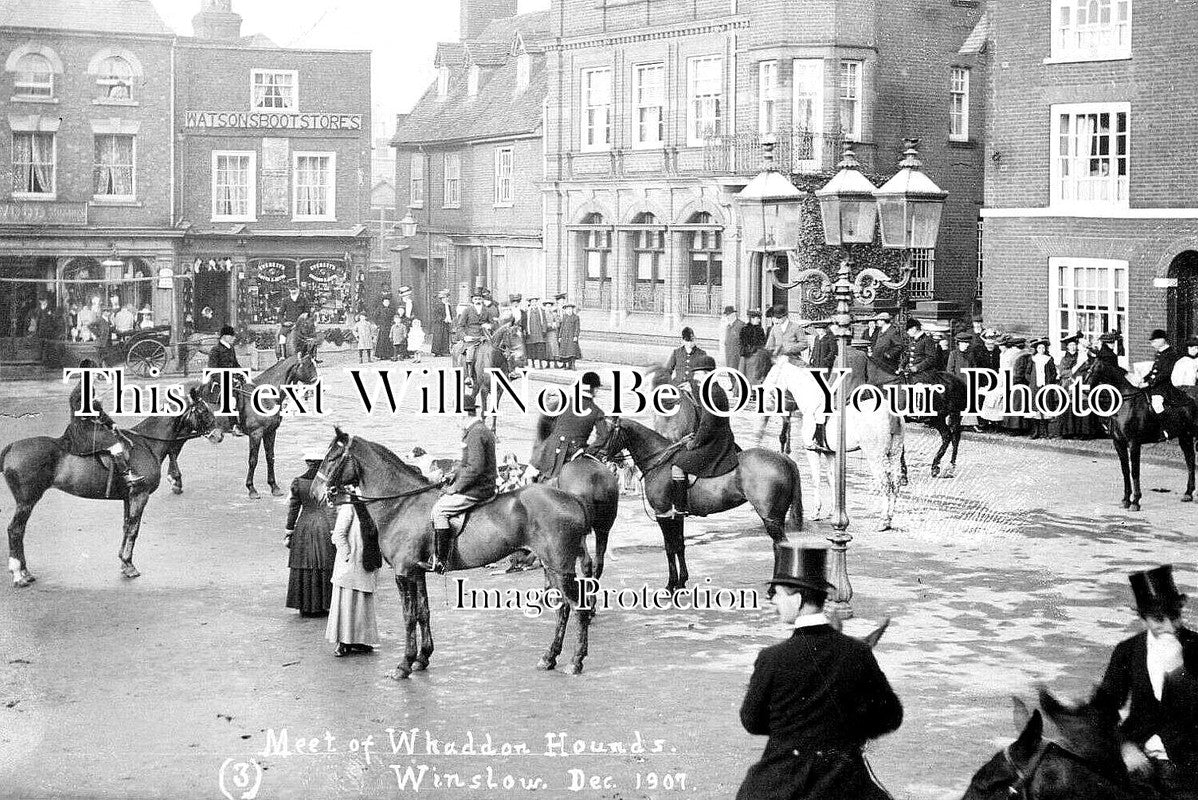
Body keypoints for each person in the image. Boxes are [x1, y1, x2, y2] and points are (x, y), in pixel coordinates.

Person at [736, 543, 903, 800]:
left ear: (797, 598)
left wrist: (792, 727)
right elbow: (890, 716)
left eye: (777, 593)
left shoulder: (771, 658)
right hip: (843, 783)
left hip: (781, 784)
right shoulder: (857, 652)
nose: (773, 600)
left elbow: (751, 721)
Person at [1090, 564, 1198, 799]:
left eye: (1174, 615)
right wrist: (1124, 746)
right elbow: (1102, 710)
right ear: (1143, 618)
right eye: (1159, 618)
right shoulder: (1127, 652)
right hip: (1137, 764)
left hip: (1189, 770)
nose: (1170, 625)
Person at [418, 410, 498, 573]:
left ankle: (441, 560)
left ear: (464, 416)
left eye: (456, 417)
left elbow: (475, 468)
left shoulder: (475, 434)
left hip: (478, 489)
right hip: (481, 484)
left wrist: (455, 488)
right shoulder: (479, 429)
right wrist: (453, 475)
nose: (456, 422)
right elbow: (467, 464)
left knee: (439, 511)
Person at [670, 355, 739, 516]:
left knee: (678, 466)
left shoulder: (710, 393)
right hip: (719, 437)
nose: (695, 377)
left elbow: (707, 425)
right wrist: (692, 391)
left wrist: (693, 443)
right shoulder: (714, 389)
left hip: (715, 442)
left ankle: (680, 508)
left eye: (697, 374)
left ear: (707, 374)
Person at [60, 359, 144, 486]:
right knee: (115, 444)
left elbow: (98, 412)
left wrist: (111, 423)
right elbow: (81, 412)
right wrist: (95, 403)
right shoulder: (80, 390)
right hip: (81, 430)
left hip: (87, 425)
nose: (95, 376)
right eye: (93, 374)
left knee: (113, 434)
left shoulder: (88, 388)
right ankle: (127, 475)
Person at [325, 490, 381, 657]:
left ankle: (359, 640)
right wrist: (347, 555)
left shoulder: (374, 506)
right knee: (346, 603)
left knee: (362, 604)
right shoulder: (350, 507)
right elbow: (339, 534)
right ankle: (342, 642)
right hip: (350, 563)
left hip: (366, 562)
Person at [285, 449, 338, 617]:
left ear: (307, 463)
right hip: (323, 524)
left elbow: (293, 508)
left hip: (304, 524)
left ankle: (305, 605)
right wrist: (334, 528)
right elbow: (333, 508)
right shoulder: (328, 482)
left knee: (303, 562)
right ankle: (323, 603)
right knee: (323, 562)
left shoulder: (298, 482)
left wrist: (289, 530)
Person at [526, 371, 604, 482]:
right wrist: (587, 451)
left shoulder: (563, 402)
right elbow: (603, 437)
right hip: (576, 453)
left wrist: (543, 442)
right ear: (595, 390)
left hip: (551, 450)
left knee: (530, 479)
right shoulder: (597, 412)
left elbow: (543, 420)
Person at [207, 326, 245, 436]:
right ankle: (234, 425)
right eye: (232, 336)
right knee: (230, 397)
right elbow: (213, 370)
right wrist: (226, 380)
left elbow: (236, 365)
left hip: (233, 378)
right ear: (224, 337)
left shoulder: (231, 348)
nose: (234, 338)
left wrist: (243, 374)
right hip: (219, 380)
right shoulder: (215, 350)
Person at [1143, 330, 1185, 426]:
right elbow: (1154, 371)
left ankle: (1167, 427)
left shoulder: (1170, 354)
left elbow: (1165, 373)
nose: (1152, 344)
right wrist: (1144, 379)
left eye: (1154, 341)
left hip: (1164, 386)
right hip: (1155, 384)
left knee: (1157, 404)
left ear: (1162, 340)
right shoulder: (1159, 353)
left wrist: (1149, 383)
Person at [1024, 337, 1059, 439]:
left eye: (1043, 348)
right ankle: (1036, 432)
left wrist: (1049, 382)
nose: (1041, 350)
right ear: (1036, 349)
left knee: (1046, 407)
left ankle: (1046, 432)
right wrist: (1032, 381)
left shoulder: (1049, 359)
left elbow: (1053, 372)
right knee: (1035, 409)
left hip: (1046, 387)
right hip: (1035, 387)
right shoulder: (1032, 359)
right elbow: (1027, 372)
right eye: (1039, 348)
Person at [455, 289, 490, 386]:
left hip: (484, 336)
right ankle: (469, 376)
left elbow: (491, 322)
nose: (478, 300)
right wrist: (464, 337)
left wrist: (489, 326)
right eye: (476, 299)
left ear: (482, 299)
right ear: (472, 300)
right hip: (471, 336)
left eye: (479, 298)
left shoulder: (486, 310)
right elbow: (460, 326)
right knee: (470, 353)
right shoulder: (467, 310)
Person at [903, 319, 940, 384]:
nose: (907, 332)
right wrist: (901, 366)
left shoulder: (927, 340)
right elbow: (908, 356)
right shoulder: (913, 341)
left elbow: (931, 358)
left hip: (924, 374)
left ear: (914, 328)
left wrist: (917, 367)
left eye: (908, 330)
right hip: (913, 374)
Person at [279, 285, 309, 358]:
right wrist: (284, 322)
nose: (293, 291)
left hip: (301, 325)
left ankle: (312, 356)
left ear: (298, 289)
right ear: (289, 290)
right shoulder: (285, 300)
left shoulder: (304, 300)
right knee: (281, 337)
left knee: (311, 338)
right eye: (291, 289)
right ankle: (282, 356)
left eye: (294, 289)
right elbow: (280, 314)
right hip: (289, 324)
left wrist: (302, 322)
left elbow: (307, 313)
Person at [1171, 336, 1198, 404]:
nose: (1194, 350)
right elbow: (1177, 380)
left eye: (1196, 348)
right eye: (1191, 347)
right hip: (1183, 387)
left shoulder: (1196, 360)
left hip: (1192, 387)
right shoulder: (1182, 361)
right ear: (1187, 348)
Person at [720, 306, 745, 374]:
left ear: (733, 314)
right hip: (729, 357)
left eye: (729, 314)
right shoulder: (728, 327)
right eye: (726, 315)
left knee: (737, 376)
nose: (727, 317)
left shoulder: (741, 325)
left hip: (737, 357)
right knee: (731, 374)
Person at [557, 302, 581, 370]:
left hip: (571, 336)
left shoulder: (576, 317)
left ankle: (573, 365)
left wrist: (576, 336)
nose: (569, 311)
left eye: (570, 309)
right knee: (566, 351)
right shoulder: (565, 317)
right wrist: (560, 336)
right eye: (567, 309)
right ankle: (568, 365)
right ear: (565, 310)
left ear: (572, 310)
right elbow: (562, 327)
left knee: (572, 351)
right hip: (565, 336)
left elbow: (577, 328)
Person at [526, 296, 548, 368]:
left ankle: (541, 363)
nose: (534, 303)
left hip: (539, 333)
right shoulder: (527, 312)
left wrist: (544, 330)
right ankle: (532, 363)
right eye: (532, 302)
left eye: (535, 302)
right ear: (530, 303)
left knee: (540, 348)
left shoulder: (541, 311)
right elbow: (525, 322)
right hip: (531, 333)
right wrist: (527, 332)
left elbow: (544, 321)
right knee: (532, 348)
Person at [431, 290, 454, 357]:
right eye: (445, 297)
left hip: (446, 324)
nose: (447, 299)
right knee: (438, 337)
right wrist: (443, 319)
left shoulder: (448, 305)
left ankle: (445, 350)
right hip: (439, 323)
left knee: (445, 336)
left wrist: (450, 319)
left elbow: (450, 314)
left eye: (447, 297)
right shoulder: (438, 305)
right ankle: (437, 351)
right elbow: (436, 315)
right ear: (442, 298)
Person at [374, 297, 395, 362]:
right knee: (382, 341)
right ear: (383, 302)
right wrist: (378, 324)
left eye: (388, 302)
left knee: (389, 340)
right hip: (382, 327)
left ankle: (389, 355)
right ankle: (381, 355)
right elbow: (375, 316)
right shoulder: (379, 309)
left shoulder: (391, 309)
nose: (387, 303)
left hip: (389, 327)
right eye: (385, 302)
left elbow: (393, 317)